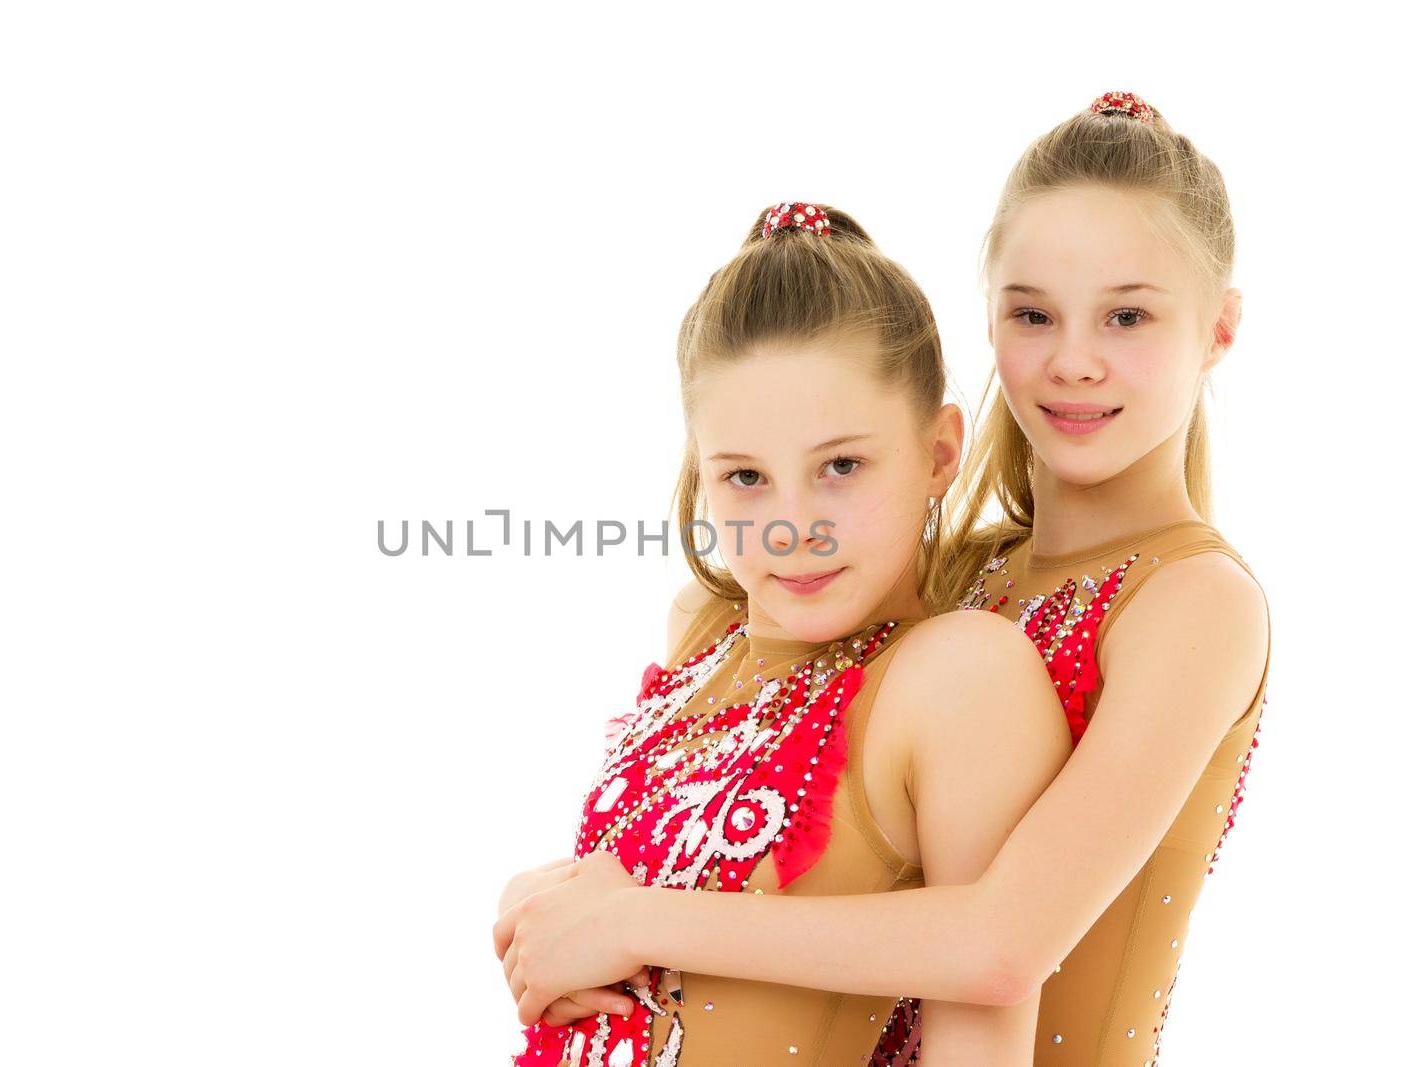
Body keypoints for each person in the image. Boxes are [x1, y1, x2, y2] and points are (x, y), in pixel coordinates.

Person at [494, 91, 1271, 1067]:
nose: (1073, 361)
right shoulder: (944, 570)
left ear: (1218, 329)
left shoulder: (1193, 599)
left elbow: (998, 944)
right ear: (988, 319)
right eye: (1031, 313)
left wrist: (638, 918)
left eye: (1125, 315)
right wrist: (561, 896)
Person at [501, 200, 1073, 1066]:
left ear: (939, 451)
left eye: (840, 466)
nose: (793, 527)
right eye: (745, 478)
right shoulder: (701, 632)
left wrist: (629, 921)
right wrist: (534, 915)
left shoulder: (960, 678)